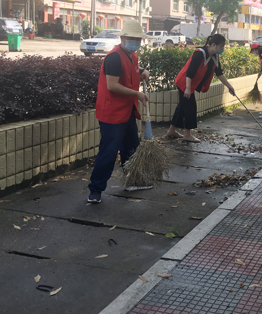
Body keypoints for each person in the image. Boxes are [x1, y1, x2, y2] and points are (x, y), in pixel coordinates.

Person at [88, 20, 150, 203]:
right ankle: (95, 190)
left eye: (138, 39)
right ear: (122, 38)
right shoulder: (114, 57)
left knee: (131, 147)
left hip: (127, 110)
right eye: (132, 38)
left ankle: (132, 181)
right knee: (108, 151)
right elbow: (112, 85)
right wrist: (137, 94)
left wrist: (143, 71)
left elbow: (131, 70)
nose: (135, 42)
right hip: (112, 113)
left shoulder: (133, 56)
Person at [165, 34, 236, 142]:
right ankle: (187, 134)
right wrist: (188, 88)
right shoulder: (199, 54)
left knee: (182, 106)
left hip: (190, 85)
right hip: (184, 82)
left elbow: (219, 73)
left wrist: (229, 86)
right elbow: (190, 72)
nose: (222, 49)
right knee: (190, 107)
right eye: (221, 46)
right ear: (214, 45)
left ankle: (172, 130)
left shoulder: (214, 57)